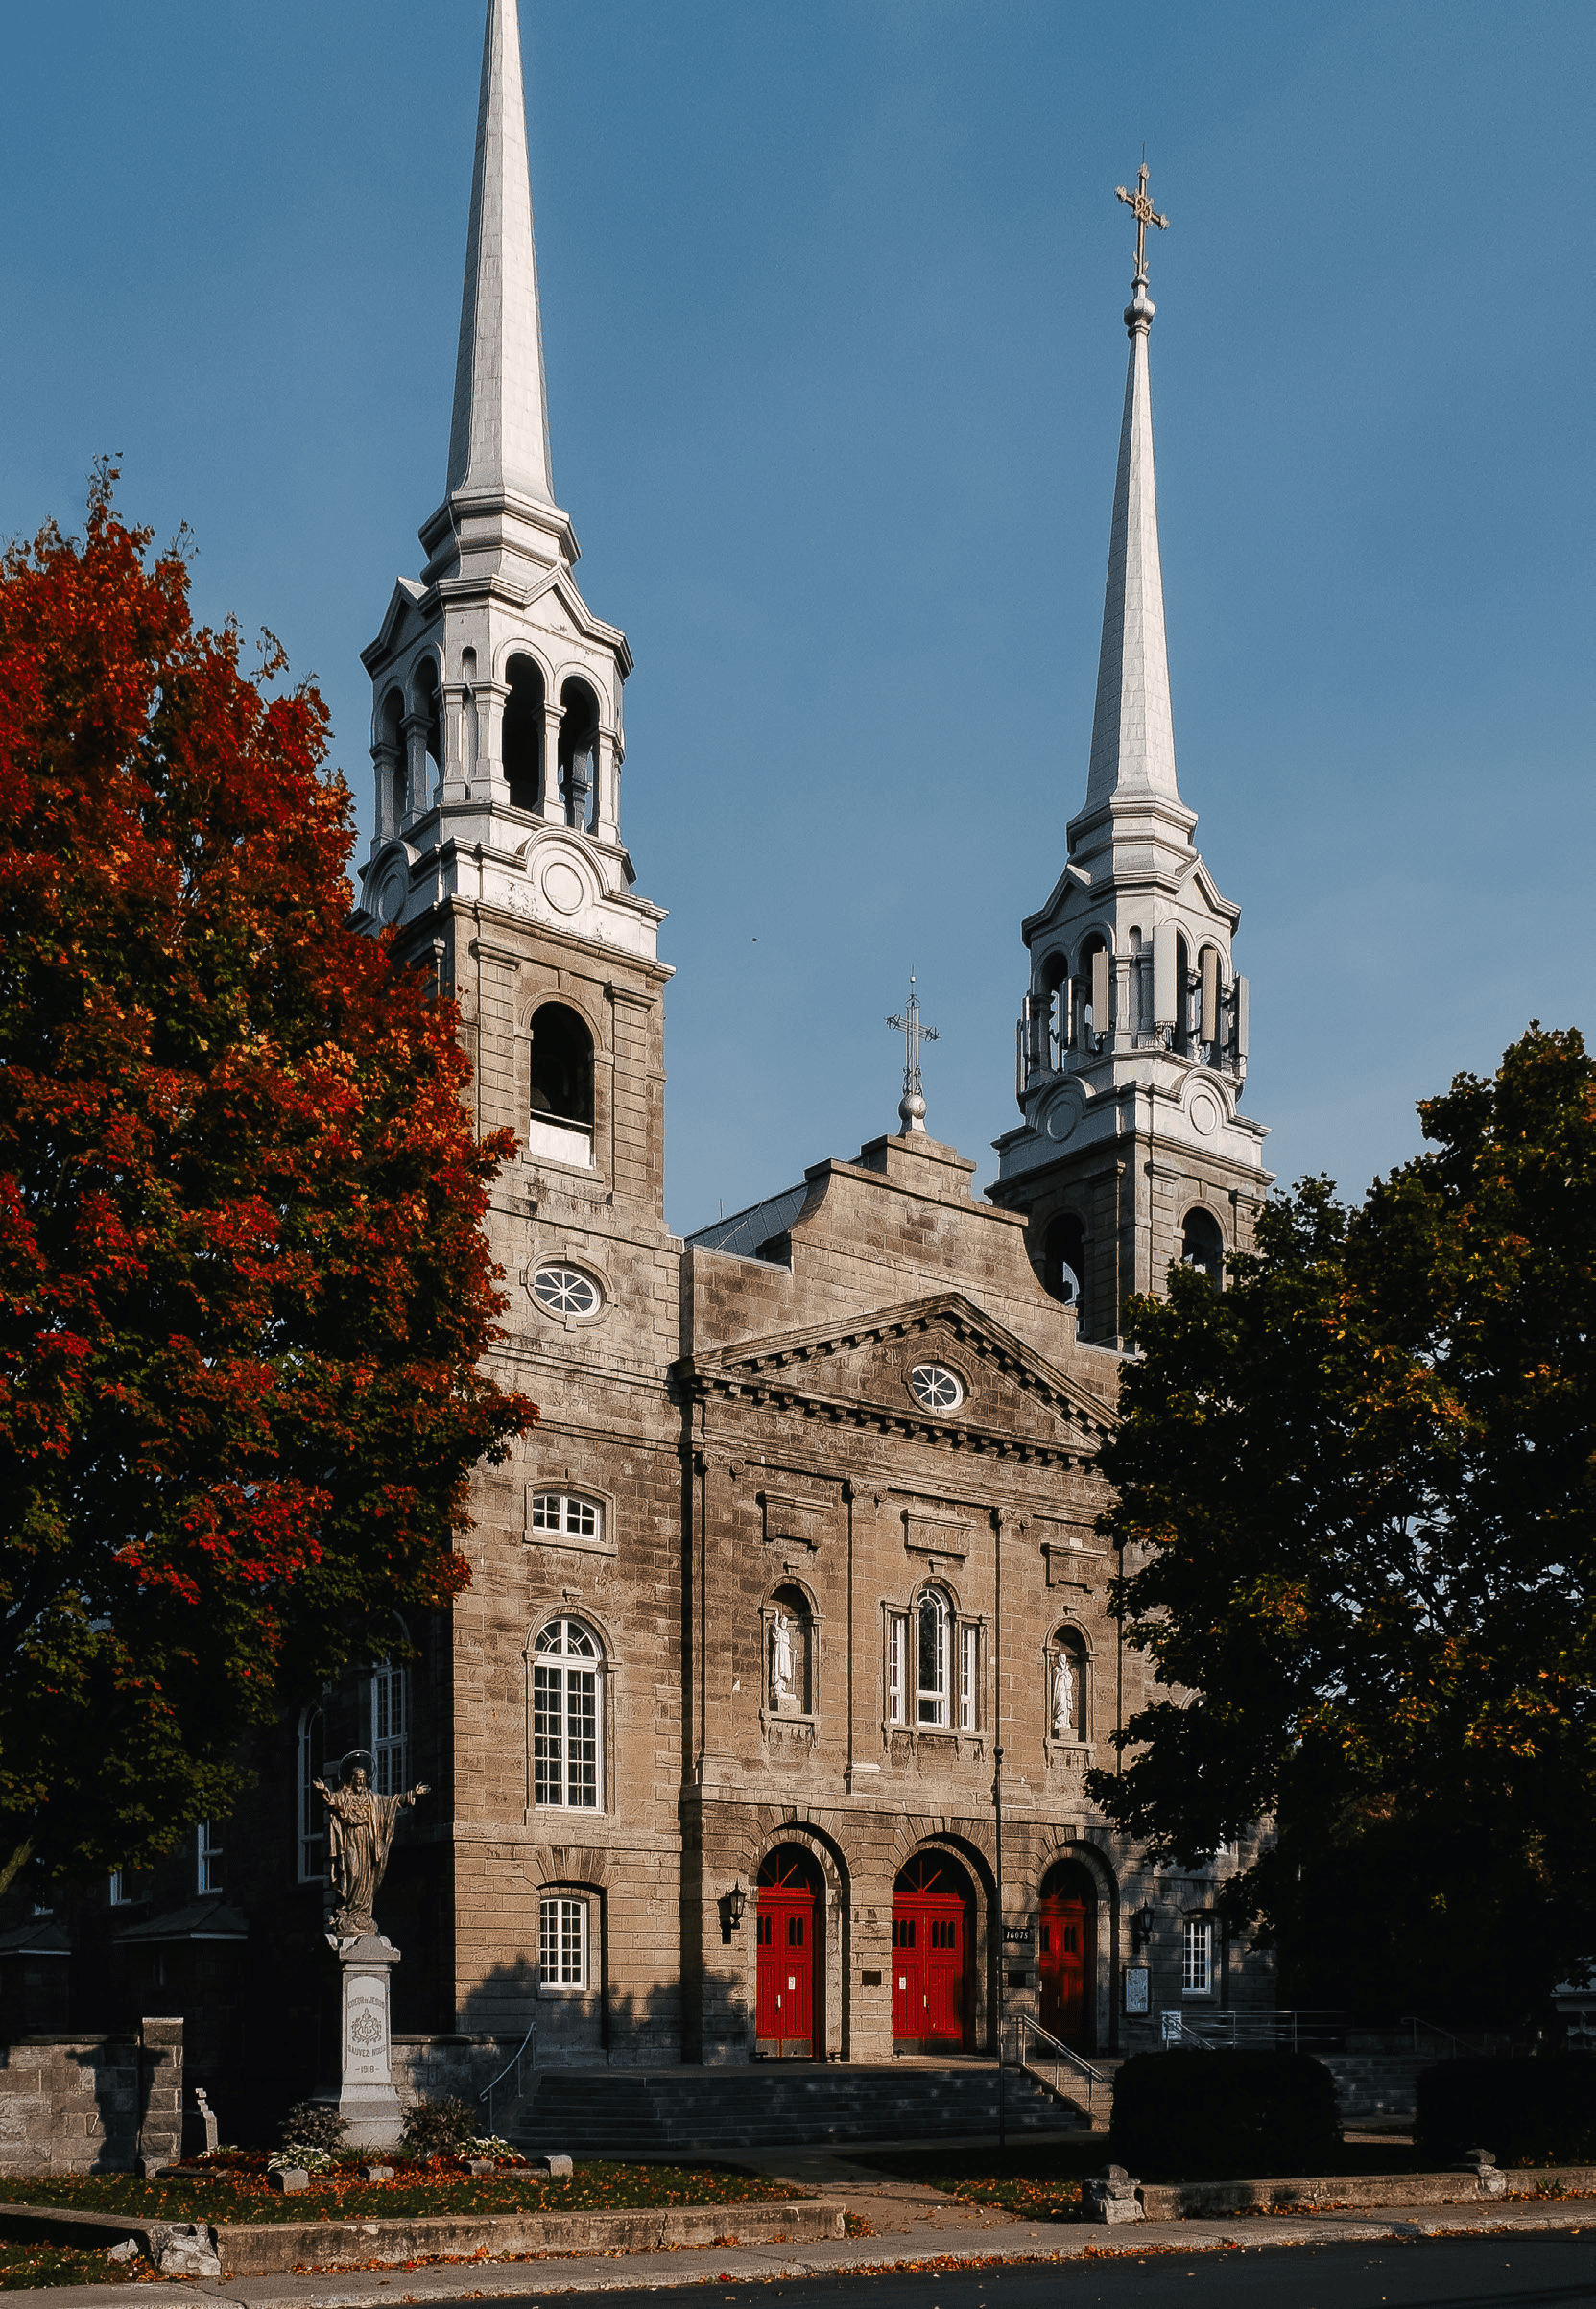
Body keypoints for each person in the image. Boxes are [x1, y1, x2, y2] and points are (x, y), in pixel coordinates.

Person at [314, 1759, 429, 1934]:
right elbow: (332, 1800)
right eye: (357, 1779)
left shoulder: (373, 1799)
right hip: (351, 1842)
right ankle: (349, 1910)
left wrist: (413, 1793)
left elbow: (393, 1802)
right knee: (352, 1872)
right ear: (352, 1779)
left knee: (365, 1878)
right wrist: (324, 1790)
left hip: (367, 1844)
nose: (360, 1782)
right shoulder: (344, 1796)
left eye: (363, 1779)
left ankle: (362, 1913)